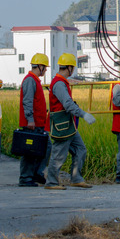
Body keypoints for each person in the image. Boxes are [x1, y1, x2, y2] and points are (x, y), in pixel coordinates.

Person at [44, 52, 97, 190]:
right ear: (69, 68)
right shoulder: (59, 84)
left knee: (80, 149)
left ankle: (76, 178)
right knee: (58, 155)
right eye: (72, 67)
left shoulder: (61, 82)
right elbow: (67, 104)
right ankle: (51, 182)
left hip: (69, 125)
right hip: (62, 125)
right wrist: (83, 114)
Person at [17, 53, 52, 187]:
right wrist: (30, 119)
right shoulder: (30, 80)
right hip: (32, 124)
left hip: (39, 123)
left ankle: (36, 173)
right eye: (45, 67)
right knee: (29, 151)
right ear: (40, 66)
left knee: (45, 147)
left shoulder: (34, 80)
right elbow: (27, 101)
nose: (46, 70)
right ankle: (26, 177)